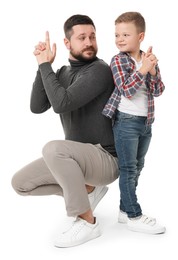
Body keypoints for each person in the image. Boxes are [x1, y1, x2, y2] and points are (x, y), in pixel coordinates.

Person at [11, 14, 118, 247]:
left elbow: (62, 103)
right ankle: (88, 189)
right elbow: (37, 107)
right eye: (82, 38)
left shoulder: (100, 70)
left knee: (53, 149)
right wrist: (43, 67)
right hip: (78, 160)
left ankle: (87, 221)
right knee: (20, 183)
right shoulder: (61, 73)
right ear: (68, 43)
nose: (89, 42)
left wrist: (45, 66)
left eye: (92, 36)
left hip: (106, 158)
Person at [102, 11, 166, 234]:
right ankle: (134, 215)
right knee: (128, 169)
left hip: (146, 122)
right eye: (117, 34)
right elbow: (127, 90)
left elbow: (158, 91)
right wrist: (143, 70)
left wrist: (154, 69)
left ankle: (123, 210)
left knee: (138, 166)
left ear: (140, 36)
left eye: (125, 34)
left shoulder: (147, 60)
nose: (119, 39)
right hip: (126, 122)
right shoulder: (118, 60)